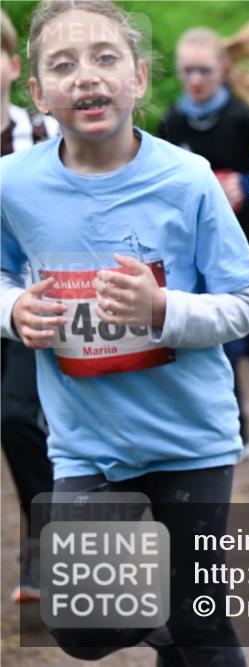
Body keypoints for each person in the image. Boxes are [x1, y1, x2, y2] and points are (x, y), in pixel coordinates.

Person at [0, 1, 249, 662]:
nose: (86, 76)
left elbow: (246, 302)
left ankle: (188, 612)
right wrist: (12, 311)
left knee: (198, 628)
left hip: (189, 439)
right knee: (85, 629)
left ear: (140, 79)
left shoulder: (186, 179)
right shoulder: (13, 186)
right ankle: (179, 607)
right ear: (38, 92)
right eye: (63, 65)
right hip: (89, 444)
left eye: (105, 58)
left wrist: (162, 310)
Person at [159, 22, 249, 456]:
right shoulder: (172, 124)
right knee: (226, 345)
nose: (196, 81)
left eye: (204, 70)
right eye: (187, 72)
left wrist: (244, 184)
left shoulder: (246, 121)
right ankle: (240, 432)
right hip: (203, 253)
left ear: (222, 68)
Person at [0, 7, 58, 605]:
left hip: (27, 305)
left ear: (14, 67)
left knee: (17, 417)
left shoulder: (42, 137)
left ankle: (44, 548)